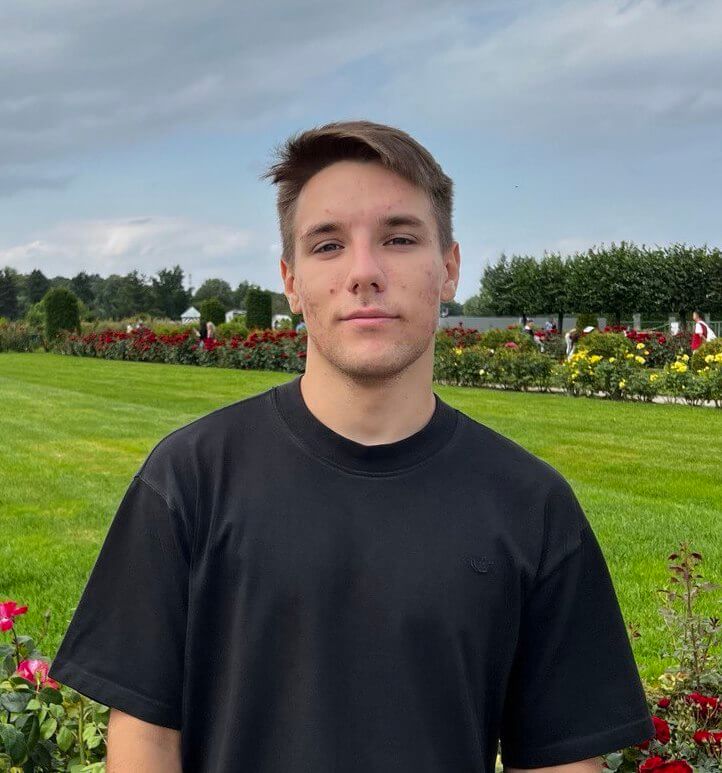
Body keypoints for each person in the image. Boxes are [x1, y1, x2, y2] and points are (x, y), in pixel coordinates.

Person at [48, 120, 654, 772]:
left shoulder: (531, 506)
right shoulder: (189, 481)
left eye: (399, 238)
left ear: (449, 268)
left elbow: (561, 760)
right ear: (291, 280)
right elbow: (145, 739)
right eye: (329, 245)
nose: (364, 272)